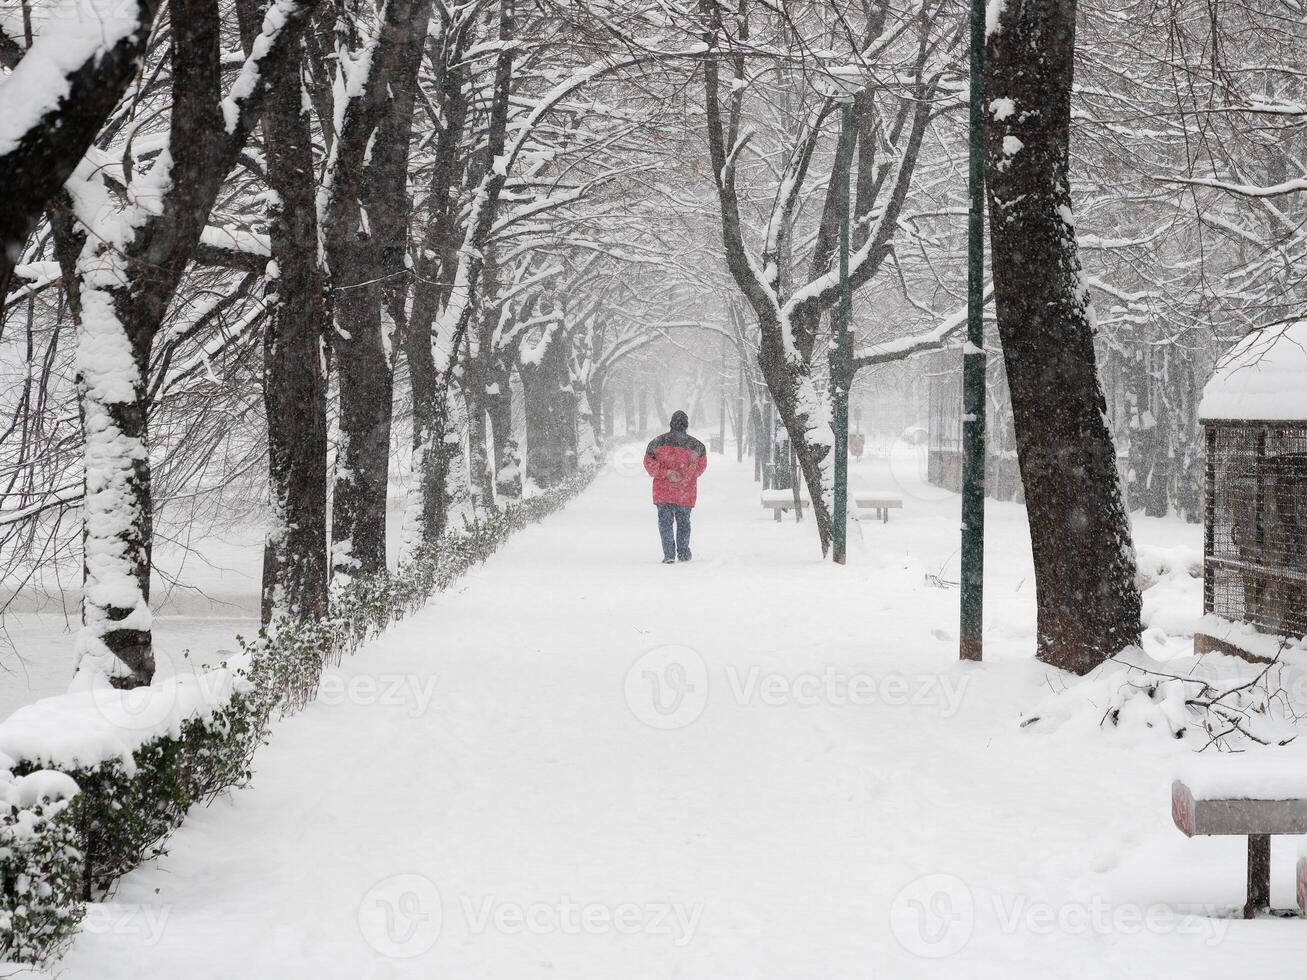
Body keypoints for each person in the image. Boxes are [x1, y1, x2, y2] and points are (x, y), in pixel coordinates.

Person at [643, 410, 708, 563]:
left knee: (665, 523)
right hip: (685, 492)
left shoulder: (656, 443)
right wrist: (685, 476)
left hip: (663, 491)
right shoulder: (697, 446)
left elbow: (648, 463)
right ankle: (684, 552)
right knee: (684, 522)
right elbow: (701, 466)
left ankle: (669, 554)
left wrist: (667, 473)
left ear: (671, 423)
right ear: (686, 425)